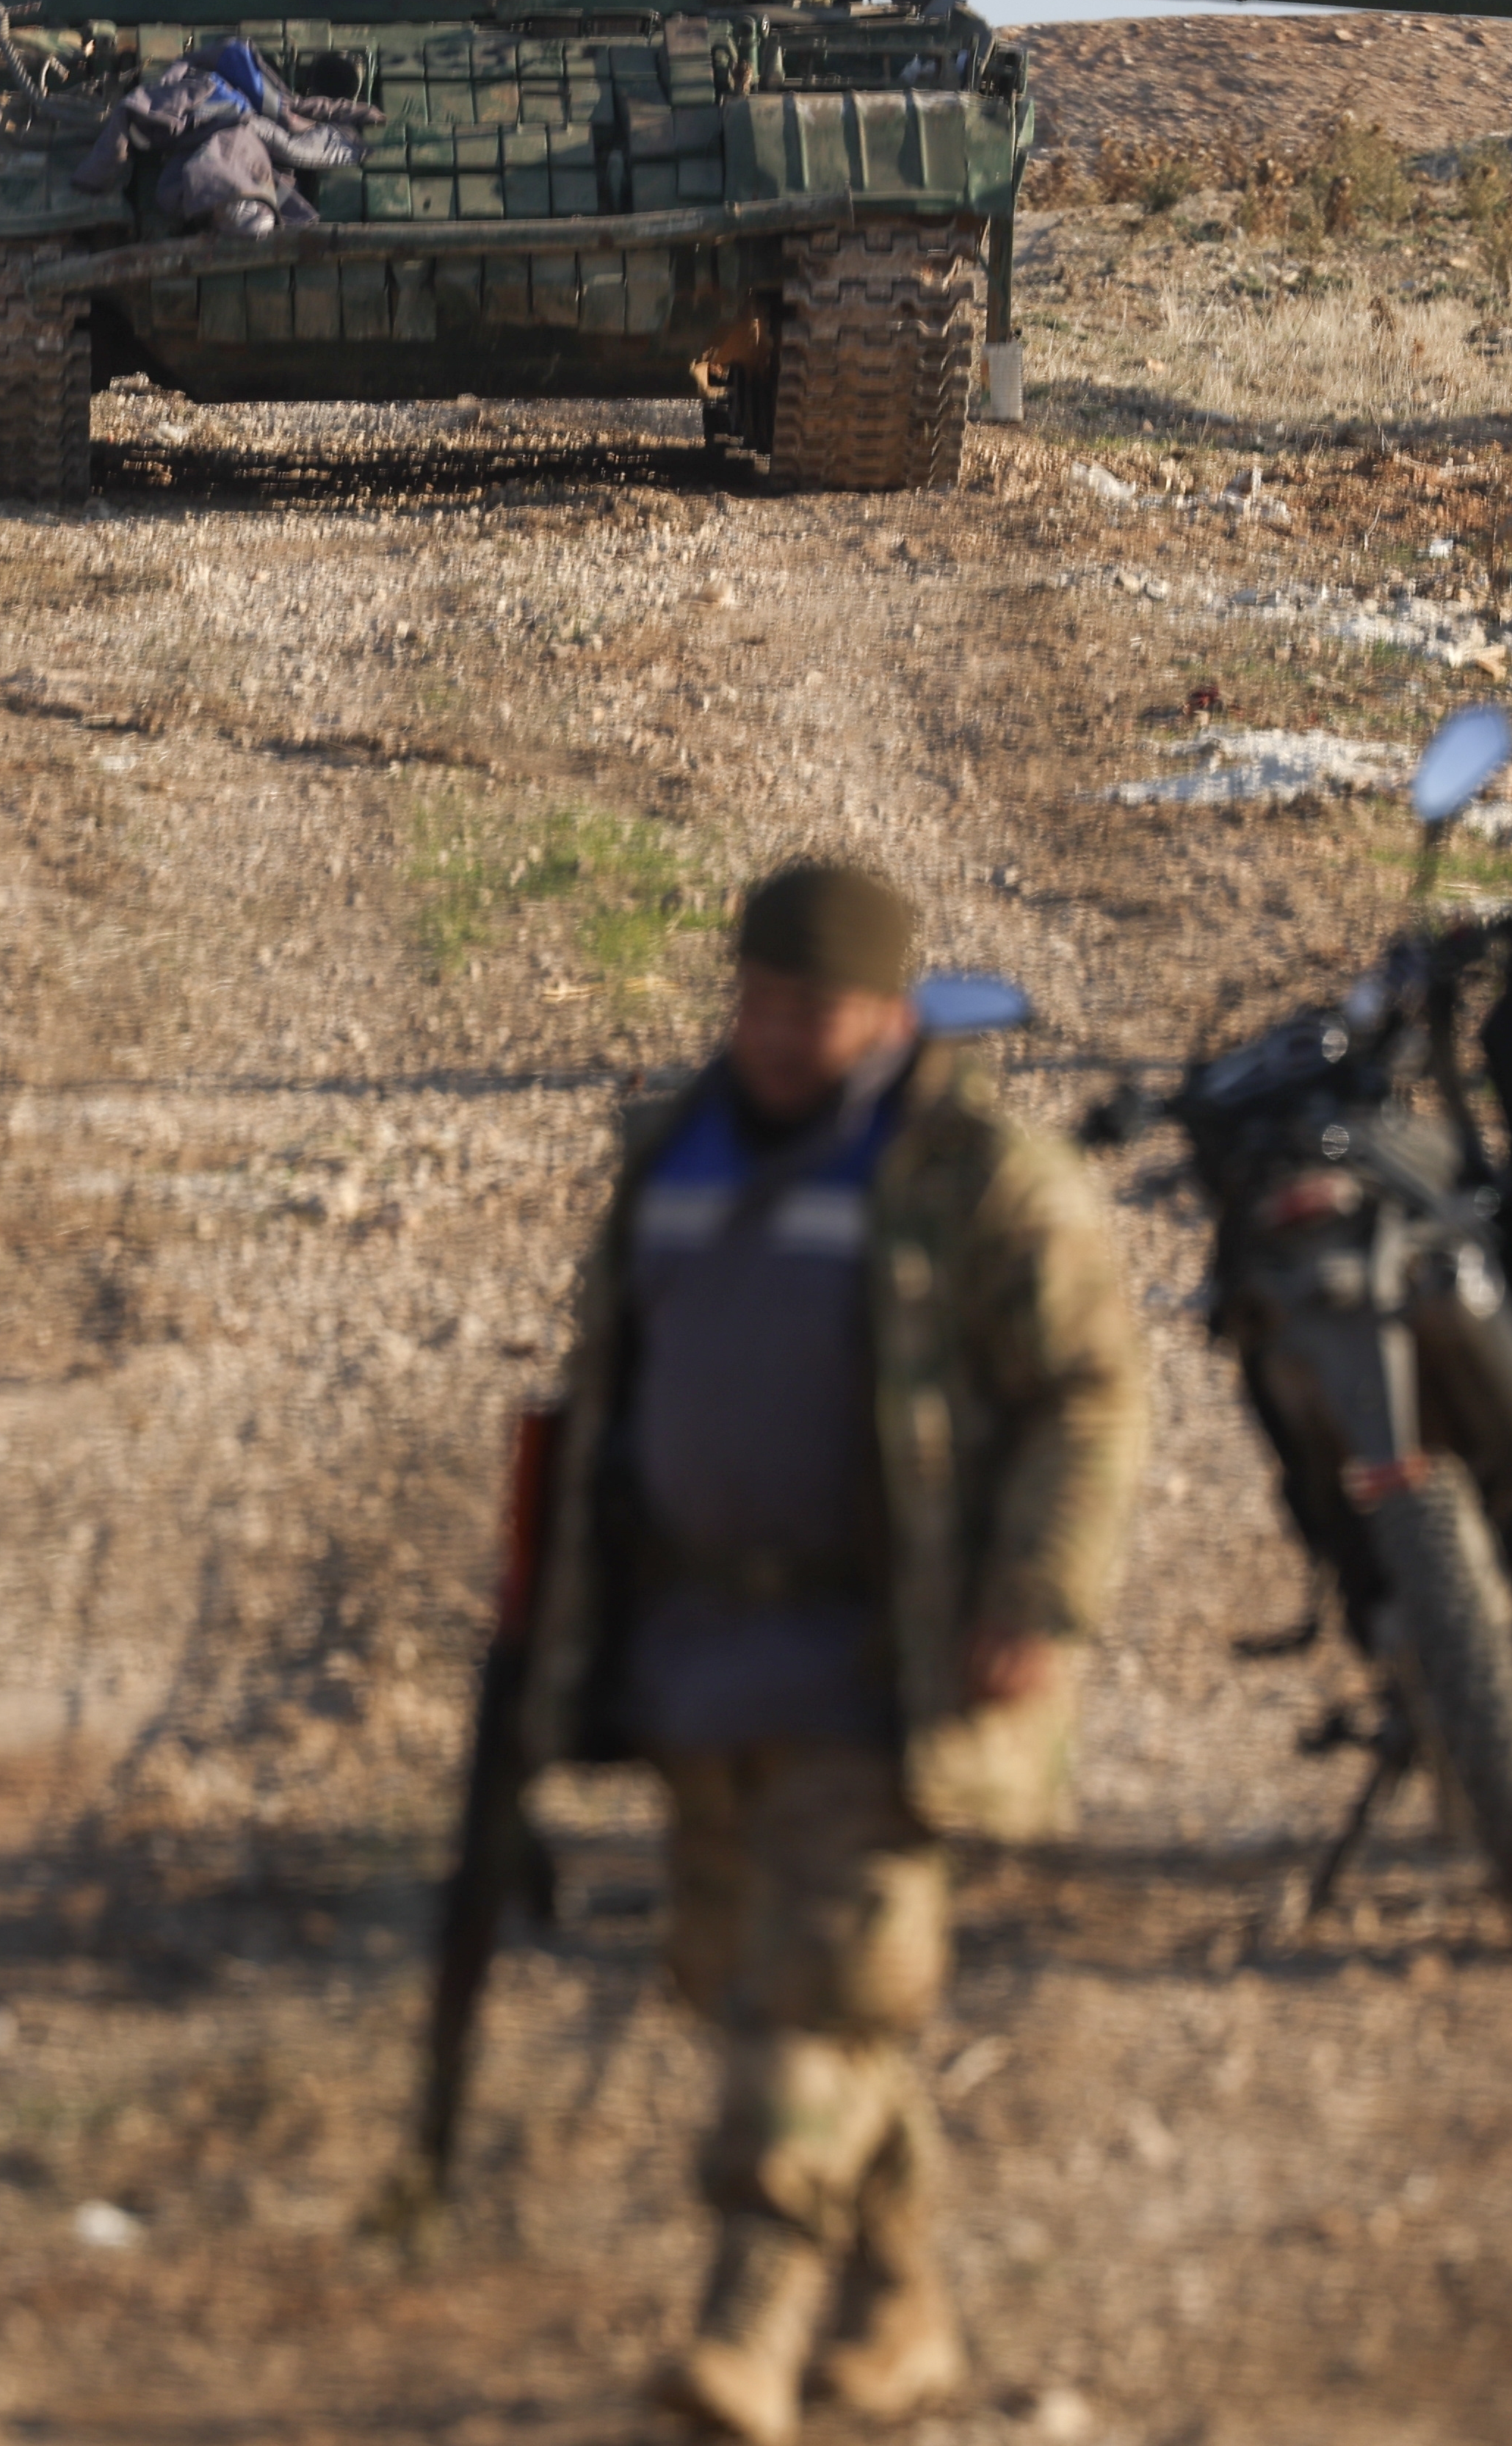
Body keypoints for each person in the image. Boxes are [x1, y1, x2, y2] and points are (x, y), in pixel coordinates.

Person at [520, 861, 1146, 2442]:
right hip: (701, 1654)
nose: (781, 1032)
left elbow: (1091, 1386)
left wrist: (1041, 1584)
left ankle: (751, 2324)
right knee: (756, 1987)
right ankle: (900, 2308)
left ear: (889, 1008)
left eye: (815, 1006)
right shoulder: (677, 1151)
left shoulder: (972, 1172)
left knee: (822, 1997)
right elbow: (606, 1390)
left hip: (892, 1664)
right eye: (760, 998)